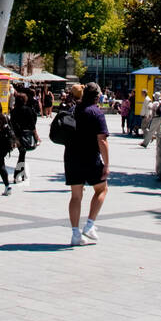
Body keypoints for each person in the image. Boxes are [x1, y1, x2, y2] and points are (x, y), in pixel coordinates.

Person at [65, 81, 109, 247]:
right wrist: (107, 164)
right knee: (102, 188)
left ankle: (75, 234)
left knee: (76, 195)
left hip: (71, 157)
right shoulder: (96, 113)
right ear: (97, 97)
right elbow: (102, 140)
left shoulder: (73, 109)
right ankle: (90, 225)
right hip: (90, 157)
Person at [9, 89, 39, 184]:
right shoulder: (28, 110)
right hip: (25, 135)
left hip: (16, 135)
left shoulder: (14, 111)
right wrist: (36, 135)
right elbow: (32, 124)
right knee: (22, 154)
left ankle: (21, 174)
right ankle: (17, 175)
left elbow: (12, 123)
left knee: (22, 154)